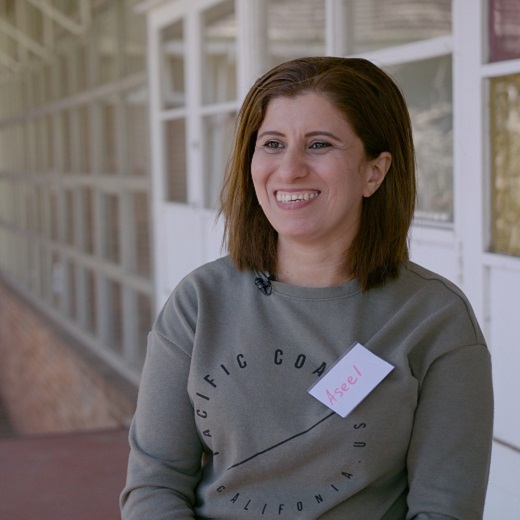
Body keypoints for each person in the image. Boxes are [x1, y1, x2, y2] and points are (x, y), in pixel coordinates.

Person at [120, 57, 493, 519]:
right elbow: (155, 485)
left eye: (319, 144)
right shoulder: (200, 302)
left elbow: (445, 509)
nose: (290, 168)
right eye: (272, 143)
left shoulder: (434, 318)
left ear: (374, 172)